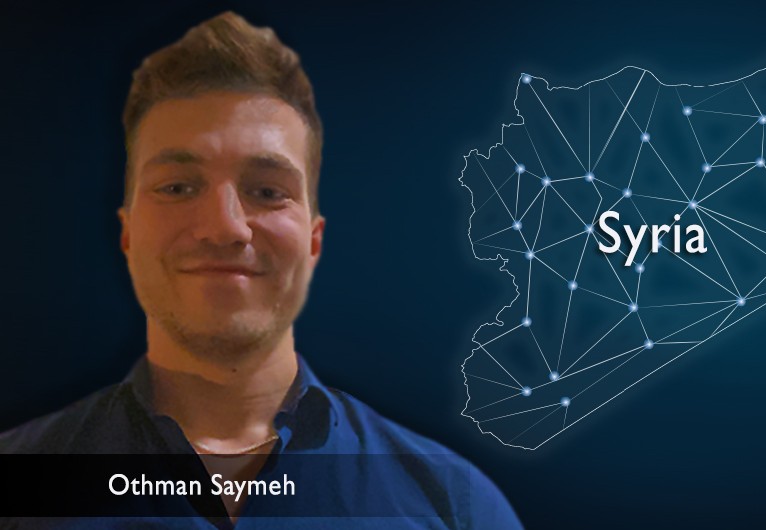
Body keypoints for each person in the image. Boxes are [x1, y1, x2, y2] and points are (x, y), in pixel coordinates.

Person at [0, 11, 523, 529]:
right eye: (178, 187)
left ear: (314, 240)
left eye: (267, 191)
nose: (225, 227)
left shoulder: (456, 507)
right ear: (127, 232)